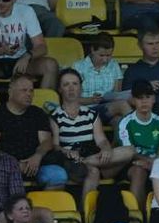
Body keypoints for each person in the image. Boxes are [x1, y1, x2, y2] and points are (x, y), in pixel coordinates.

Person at [51, 68, 134, 199]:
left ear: (80, 88)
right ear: (60, 89)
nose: (71, 88)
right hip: (71, 160)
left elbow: (101, 139)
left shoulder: (91, 114)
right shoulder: (55, 116)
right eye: (66, 84)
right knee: (94, 171)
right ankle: (87, 214)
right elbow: (55, 146)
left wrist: (106, 148)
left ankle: (87, 162)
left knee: (129, 150)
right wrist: (67, 152)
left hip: (92, 156)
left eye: (75, 84)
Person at [0, 72, 63, 187]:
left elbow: (46, 141)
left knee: (58, 175)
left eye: (31, 91)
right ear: (10, 91)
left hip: (35, 165)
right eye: (24, 90)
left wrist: (38, 156)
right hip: (5, 167)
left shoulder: (37, 113)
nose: (29, 94)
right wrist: (15, 165)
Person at [118, 81, 159, 210]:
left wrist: (155, 163)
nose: (144, 102)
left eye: (147, 97)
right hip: (132, 165)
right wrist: (149, 162)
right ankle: (138, 217)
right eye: (139, 98)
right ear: (133, 100)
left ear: (153, 99)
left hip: (157, 163)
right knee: (139, 171)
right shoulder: (126, 123)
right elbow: (129, 153)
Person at [72, 33, 132, 121]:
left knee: (119, 120)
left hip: (108, 107)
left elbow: (117, 93)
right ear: (92, 50)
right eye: (101, 55)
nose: (105, 60)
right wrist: (91, 100)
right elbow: (72, 99)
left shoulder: (114, 65)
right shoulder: (78, 67)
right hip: (85, 109)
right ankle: (142, 131)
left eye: (109, 55)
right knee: (122, 105)